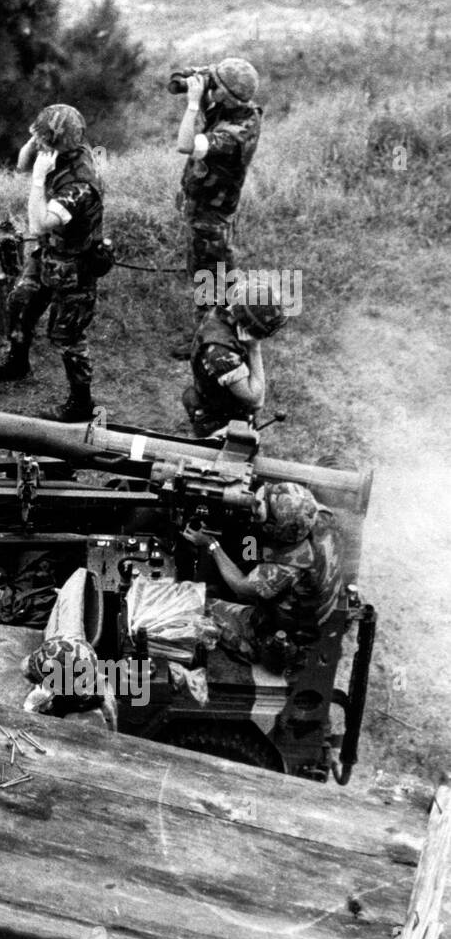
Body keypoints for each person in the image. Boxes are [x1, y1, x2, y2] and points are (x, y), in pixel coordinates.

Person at [0, 104, 105, 422]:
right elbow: (21, 164)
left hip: (74, 267)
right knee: (20, 302)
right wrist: (35, 143)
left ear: (59, 144)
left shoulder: (80, 186)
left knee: (66, 335)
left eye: (44, 140)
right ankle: (16, 363)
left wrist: (38, 179)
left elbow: (38, 224)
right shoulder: (61, 152)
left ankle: (81, 402)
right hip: (49, 255)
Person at [180, 482, 344, 675]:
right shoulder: (320, 516)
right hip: (314, 607)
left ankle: (246, 646)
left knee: (197, 605)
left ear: (279, 529)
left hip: (282, 633)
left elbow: (240, 586)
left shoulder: (288, 567)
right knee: (249, 552)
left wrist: (211, 544)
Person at [170, 56, 262, 359]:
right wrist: (200, 81)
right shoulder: (232, 108)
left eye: (217, 87)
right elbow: (185, 82)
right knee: (209, 276)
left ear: (228, 95)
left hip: (212, 216)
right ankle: (216, 332)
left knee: (211, 279)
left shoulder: (236, 133)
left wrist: (193, 103)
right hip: (204, 207)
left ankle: (213, 341)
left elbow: (185, 144)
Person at [181, 271, 286, 438]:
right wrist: (254, 349)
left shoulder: (220, 314)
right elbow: (256, 401)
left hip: (215, 403)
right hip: (220, 423)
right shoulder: (222, 354)